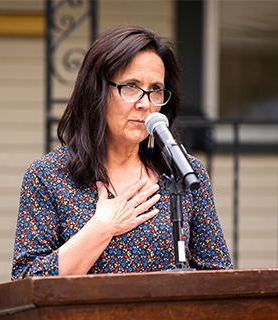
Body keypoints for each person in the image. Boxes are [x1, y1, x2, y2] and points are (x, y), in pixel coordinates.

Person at [12, 25, 232, 279]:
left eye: (155, 90)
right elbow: (26, 283)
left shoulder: (184, 173)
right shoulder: (49, 176)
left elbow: (220, 277)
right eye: (130, 86)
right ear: (97, 91)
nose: (145, 103)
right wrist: (102, 227)